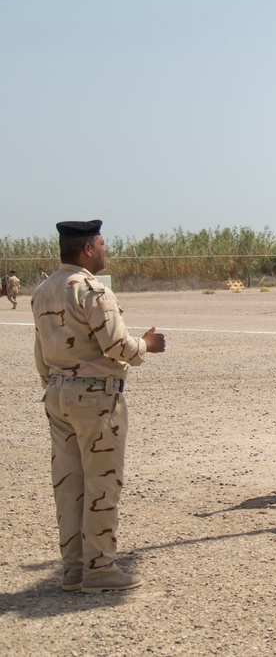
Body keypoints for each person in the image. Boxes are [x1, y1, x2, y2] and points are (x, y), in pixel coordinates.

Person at [32, 219, 166, 593]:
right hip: (95, 398)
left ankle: (74, 569)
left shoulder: (44, 290)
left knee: (69, 484)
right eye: (103, 245)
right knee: (101, 483)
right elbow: (118, 346)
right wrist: (147, 345)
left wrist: (58, 385)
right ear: (88, 249)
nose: (107, 250)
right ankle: (101, 568)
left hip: (58, 394)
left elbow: (41, 353)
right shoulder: (90, 290)